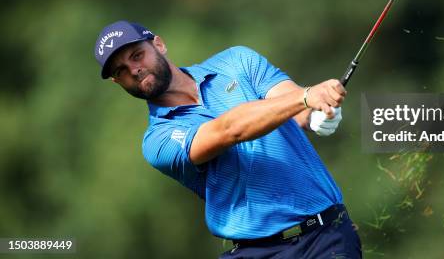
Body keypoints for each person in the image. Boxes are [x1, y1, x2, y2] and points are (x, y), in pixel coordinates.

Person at [94, 20, 362, 258]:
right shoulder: (157, 140)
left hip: (327, 238)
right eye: (121, 70)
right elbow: (227, 131)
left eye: (137, 55)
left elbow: (292, 102)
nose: (134, 69)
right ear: (118, 82)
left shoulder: (237, 61)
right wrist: (305, 97)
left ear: (159, 45)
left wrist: (316, 113)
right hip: (256, 251)